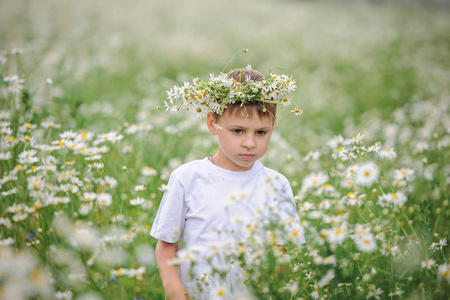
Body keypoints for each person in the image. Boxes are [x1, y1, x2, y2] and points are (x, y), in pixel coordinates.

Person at [150, 67, 304, 299]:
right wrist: (176, 294)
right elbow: (166, 245)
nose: (250, 143)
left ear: (273, 126)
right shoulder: (187, 178)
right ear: (213, 124)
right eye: (238, 131)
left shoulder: (277, 184)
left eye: (261, 132)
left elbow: (281, 253)